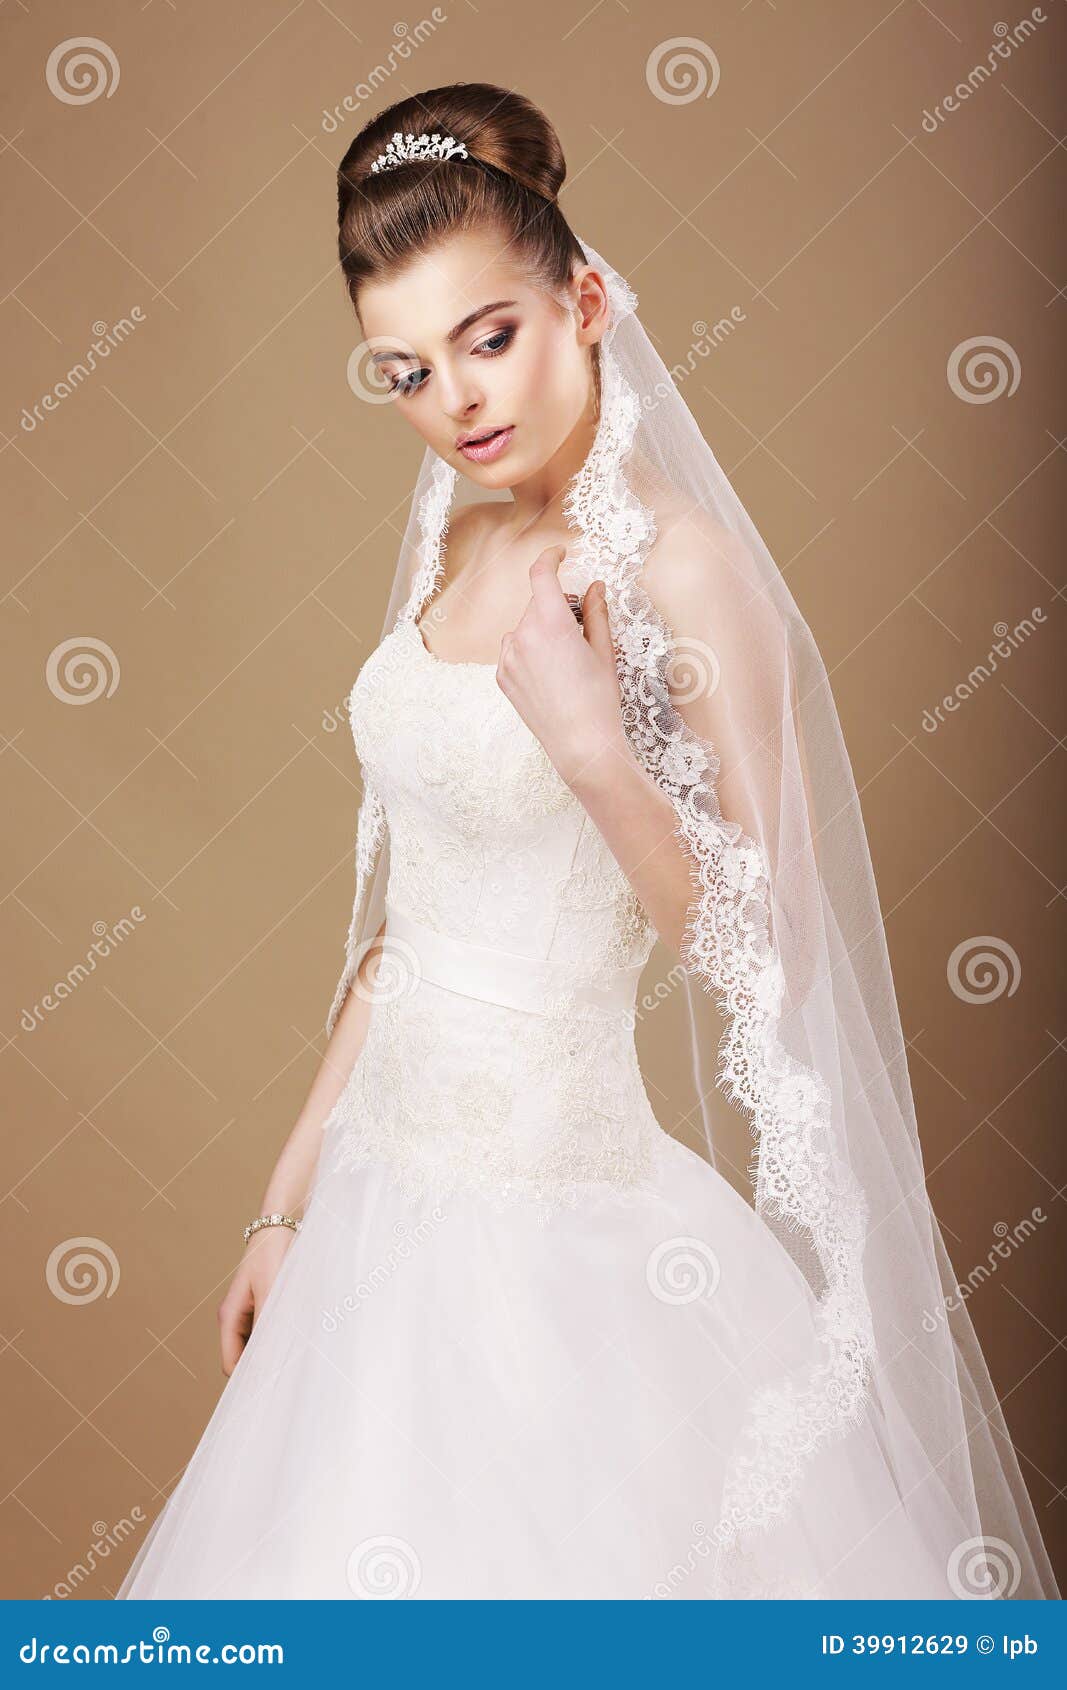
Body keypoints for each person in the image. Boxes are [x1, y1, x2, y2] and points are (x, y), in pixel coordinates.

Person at [116, 84, 1057, 1601]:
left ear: (589, 296)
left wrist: (592, 754)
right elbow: (408, 930)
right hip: (377, 1221)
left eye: (491, 337)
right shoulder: (458, 529)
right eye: (408, 371)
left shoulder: (684, 570)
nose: (459, 402)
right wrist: (285, 1201)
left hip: (570, 1243)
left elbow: (778, 958)